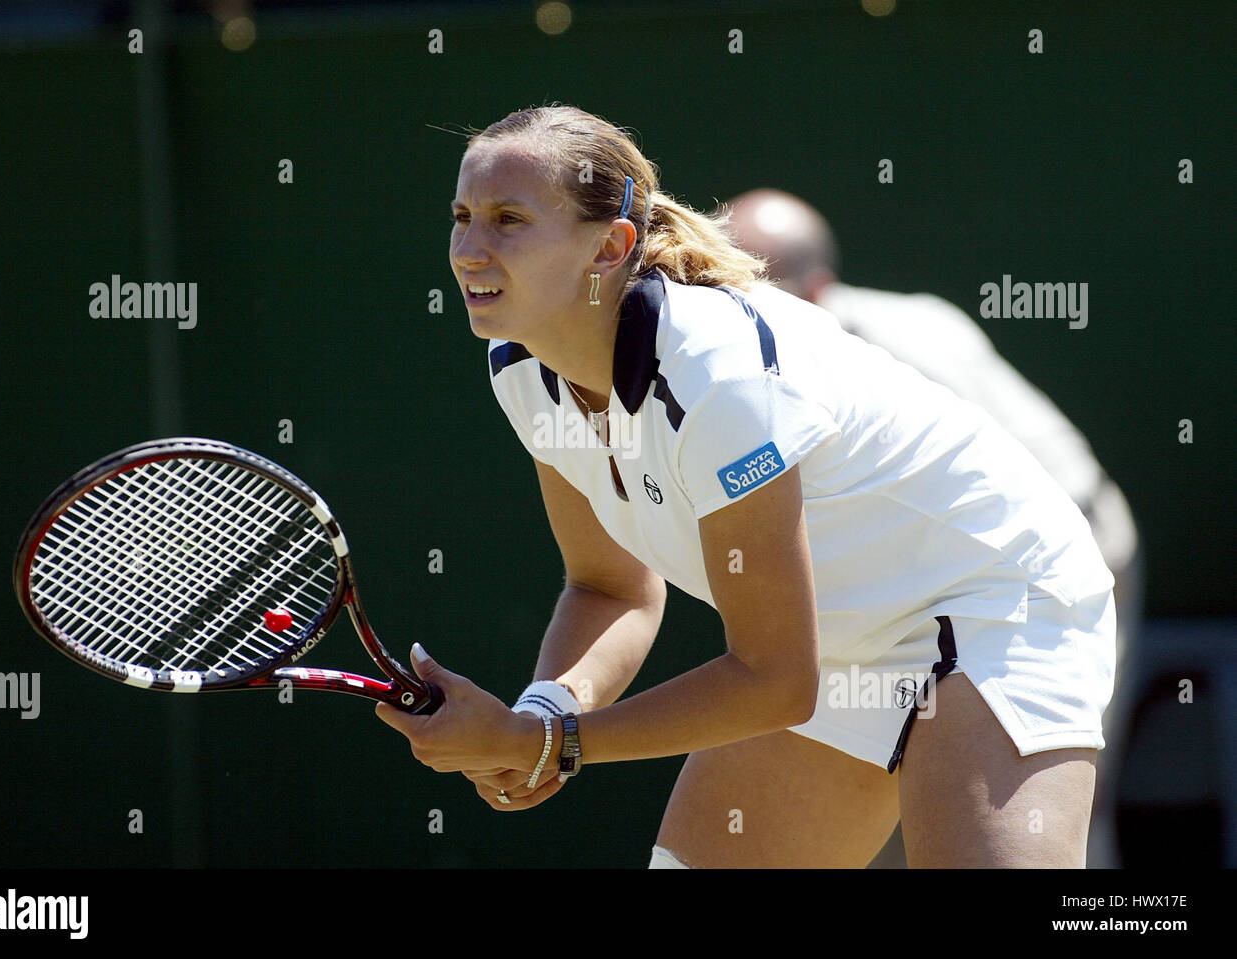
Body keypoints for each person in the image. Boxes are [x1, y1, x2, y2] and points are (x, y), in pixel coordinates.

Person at [375, 104, 1117, 868]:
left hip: (994, 598)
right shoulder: (521, 367)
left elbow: (775, 680)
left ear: (610, 247)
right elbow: (611, 587)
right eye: (462, 217)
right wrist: (544, 712)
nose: (469, 249)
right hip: (831, 644)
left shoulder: (716, 374)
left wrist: (548, 743)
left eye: (508, 219)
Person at [724, 189, 1142, 865]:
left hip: (1068, 558)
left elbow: (1000, 507)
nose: (726, 306)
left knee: (1037, 810)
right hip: (951, 579)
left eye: (751, 285)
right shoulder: (743, 366)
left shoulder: (897, 350)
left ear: (817, 290)